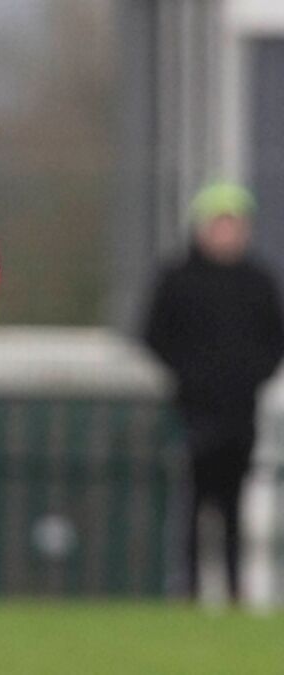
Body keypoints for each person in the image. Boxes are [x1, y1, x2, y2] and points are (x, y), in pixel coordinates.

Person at [143, 181, 284, 605]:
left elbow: (275, 340)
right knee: (190, 503)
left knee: (234, 503)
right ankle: (186, 587)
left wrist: (253, 376)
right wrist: (188, 377)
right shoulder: (177, 279)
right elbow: (154, 335)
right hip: (191, 410)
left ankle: (236, 587)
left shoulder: (258, 282)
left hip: (241, 411)